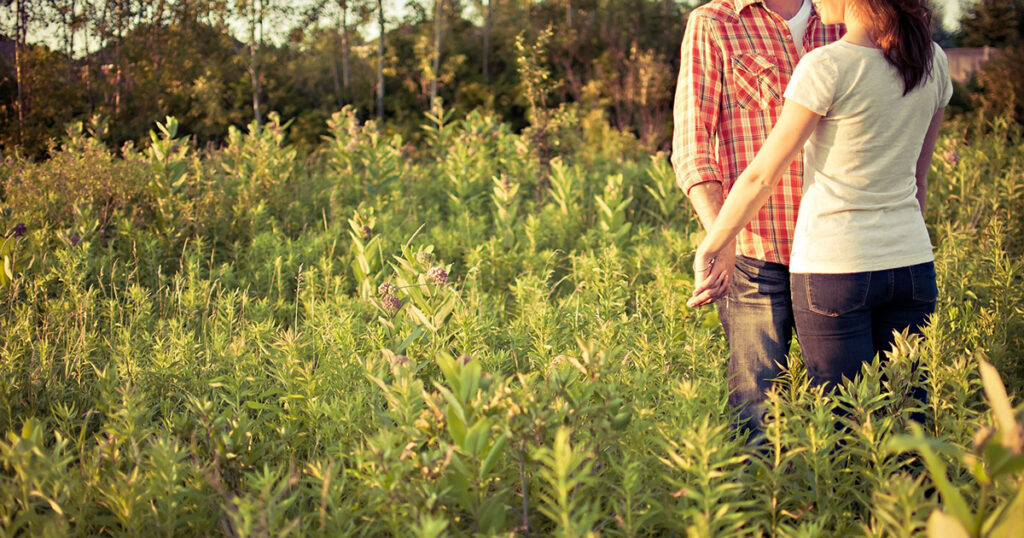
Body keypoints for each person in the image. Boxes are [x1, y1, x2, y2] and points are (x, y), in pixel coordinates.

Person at [689, 0, 952, 401]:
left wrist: (711, 244)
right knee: (907, 414)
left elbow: (761, 176)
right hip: (912, 263)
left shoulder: (826, 64)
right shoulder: (933, 59)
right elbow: (919, 179)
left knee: (844, 422)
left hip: (835, 266)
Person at [671, 0, 843, 438]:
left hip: (837, 253)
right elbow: (691, 148)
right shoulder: (714, 23)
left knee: (843, 404)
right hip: (754, 253)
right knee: (757, 410)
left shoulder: (845, 18)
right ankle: (760, 504)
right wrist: (722, 237)